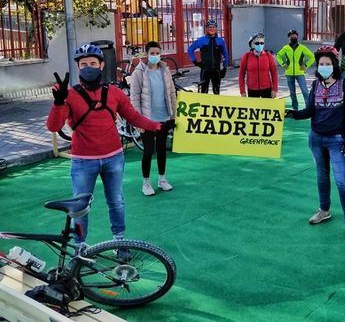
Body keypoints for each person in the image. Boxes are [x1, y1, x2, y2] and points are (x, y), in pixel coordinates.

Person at [47, 44, 162, 250]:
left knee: (116, 201)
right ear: (78, 68)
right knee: (80, 207)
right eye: (83, 64)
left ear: (101, 65)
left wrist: (155, 125)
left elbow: (132, 116)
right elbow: (53, 126)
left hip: (113, 158)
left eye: (93, 63)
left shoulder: (115, 93)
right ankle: (80, 247)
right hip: (83, 161)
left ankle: (120, 241)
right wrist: (58, 102)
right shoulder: (70, 95)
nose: (88, 67)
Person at [285, 45, 345, 244]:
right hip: (316, 138)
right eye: (321, 64)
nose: (323, 66)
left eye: (327, 64)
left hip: (337, 140)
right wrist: (291, 113)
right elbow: (310, 110)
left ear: (334, 65)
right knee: (322, 176)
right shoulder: (316, 85)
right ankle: (324, 210)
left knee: (342, 182)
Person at [130, 41, 177, 196]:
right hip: (147, 120)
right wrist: (138, 120)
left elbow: (171, 92)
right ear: (146, 54)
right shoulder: (138, 73)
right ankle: (146, 183)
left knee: (162, 149)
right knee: (148, 151)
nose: (155, 56)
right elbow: (135, 98)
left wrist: (174, 114)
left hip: (164, 116)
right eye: (152, 53)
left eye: (158, 53)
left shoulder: (165, 70)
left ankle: (162, 179)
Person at [187, 19, 229, 94]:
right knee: (204, 92)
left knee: (216, 92)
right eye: (210, 27)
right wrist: (195, 61)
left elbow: (225, 54)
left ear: (216, 29)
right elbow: (190, 49)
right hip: (205, 70)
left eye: (213, 27)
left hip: (216, 70)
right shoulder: (202, 40)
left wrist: (225, 67)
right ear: (206, 28)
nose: (212, 29)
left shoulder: (220, 41)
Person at [276, 29, 315, 109]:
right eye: (291, 36)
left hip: (300, 73)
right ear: (289, 38)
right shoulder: (286, 48)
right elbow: (278, 56)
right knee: (292, 92)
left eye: (295, 36)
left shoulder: (302, 48)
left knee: (304, 91)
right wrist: (283, 64)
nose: (293, 37)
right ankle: (295, 108)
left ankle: (309, 108)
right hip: (289, 73)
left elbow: (312, 56)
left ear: (297, 36)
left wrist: (306, 66)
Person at [239, 32, 278, 98]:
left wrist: (275, 89)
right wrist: (242, 91)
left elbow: (274, 73)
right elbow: (241, 75)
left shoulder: (268, 56)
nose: (260, 45)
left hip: (267, 89)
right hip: (252, 90)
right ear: (252, 44)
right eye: (257, 43)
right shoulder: (246, 56)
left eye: (262, 43)